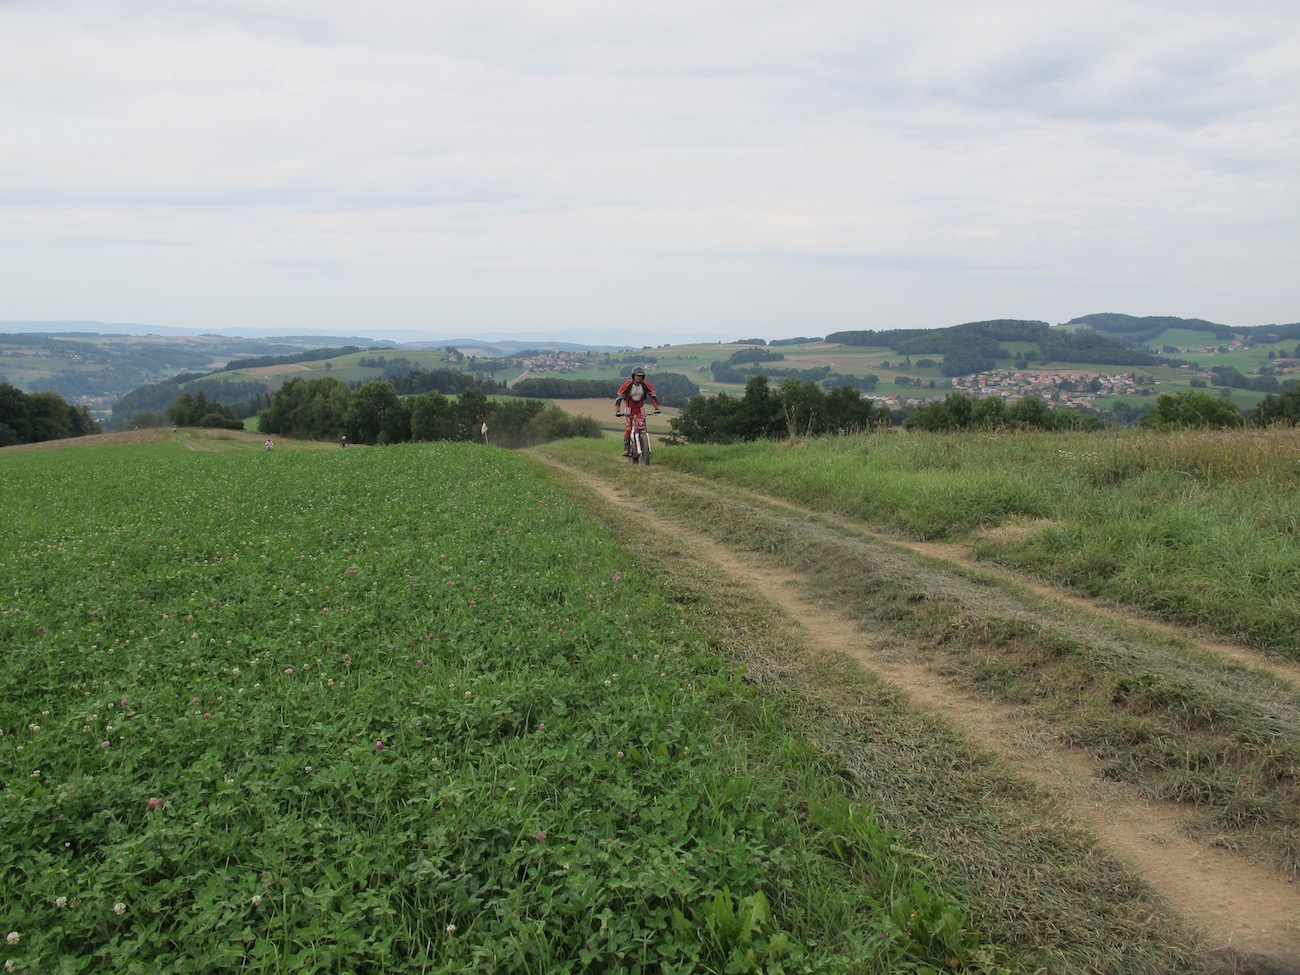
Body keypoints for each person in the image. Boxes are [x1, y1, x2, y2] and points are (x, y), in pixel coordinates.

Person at [614, 367, 660, 456]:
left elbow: (653, 396)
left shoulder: (645, 385)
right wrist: (618, 411)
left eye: (640, 376)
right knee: (628, 428)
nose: (638, 378)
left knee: (643, 427)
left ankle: (645, 445)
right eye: (637, 376)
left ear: (643, 377)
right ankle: (626, 448)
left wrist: (656, 408)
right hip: (629, 408)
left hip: (641, 408)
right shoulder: (628, 385)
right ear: (633, 376)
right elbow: (619, 398)